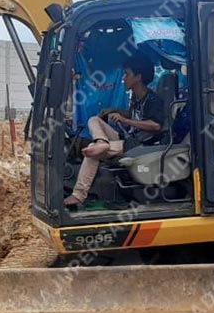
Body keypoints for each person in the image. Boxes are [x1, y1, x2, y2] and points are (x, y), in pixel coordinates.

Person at [65, 55, 166, 208]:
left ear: (138, 77)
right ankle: (102, 141)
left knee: (93, 153)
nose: (124, 78)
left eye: (127, 74)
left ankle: (78, 195)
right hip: (127, 138)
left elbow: (155, 126)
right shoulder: (136, 97)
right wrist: (115, 110)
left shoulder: (153, 100)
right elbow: (136, 116)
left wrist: (125, 121)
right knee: (94, 120)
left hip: (138, 144)